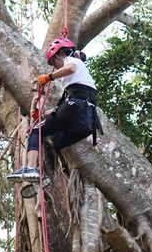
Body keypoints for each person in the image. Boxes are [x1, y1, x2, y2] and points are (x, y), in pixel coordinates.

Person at [7, 37, 102, 183]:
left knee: (36, 131)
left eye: (53, 62)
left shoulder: (72, 61)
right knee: (54, 145)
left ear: (61, 54)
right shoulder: (79, 82)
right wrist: (42, 114)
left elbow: (70, 69)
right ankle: (46, 177)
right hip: (87, 121)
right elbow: (62, 107)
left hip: (76, 107)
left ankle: (31, 167)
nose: (55, 66)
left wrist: (49, 77)